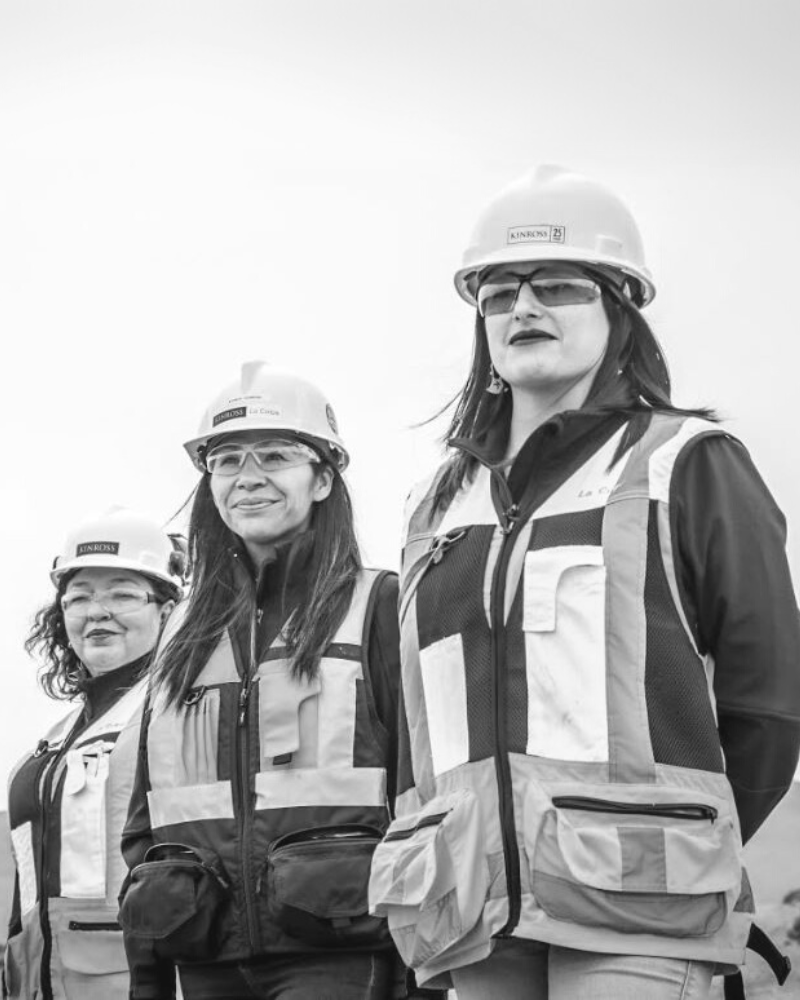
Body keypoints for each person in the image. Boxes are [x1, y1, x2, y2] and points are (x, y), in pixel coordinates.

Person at [369, 165, 800, 1000]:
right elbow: (416, 731)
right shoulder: (438, 504)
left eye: (558, 286)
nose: (523, 308)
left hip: (638, 909)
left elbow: (771, 698)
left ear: (619, 310)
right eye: (498, 293)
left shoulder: (685, 464)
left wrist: (693, 845)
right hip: (471, 914)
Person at [119, 362, 411, 1000]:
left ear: (324, 478)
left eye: (275, 455)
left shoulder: (378, 604)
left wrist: (419, 972)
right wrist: (147, 978)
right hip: (202, 947)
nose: (247, 478)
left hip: (340, 945)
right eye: (226, 461)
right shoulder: (179, 636)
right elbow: (146, 821)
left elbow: (420, 787)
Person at [3, 508, 184, 1000]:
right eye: (78, 598)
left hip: (141, 978)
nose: (96, 612)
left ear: (168, 610)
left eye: (122, 595)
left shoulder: (179, 709)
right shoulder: (54, 740)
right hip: (44, 982)